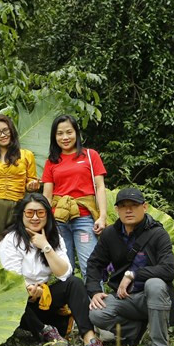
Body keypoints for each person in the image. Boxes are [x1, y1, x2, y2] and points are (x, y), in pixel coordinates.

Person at [0, 194, 114, 346]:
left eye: (40, 213)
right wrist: (30, 290)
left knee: (74, 283)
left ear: (47, 214)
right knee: (10, 296)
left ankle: (90, 340)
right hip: (21, 299)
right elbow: (11, 277)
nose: (35, 218)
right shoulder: (11, 240)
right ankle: (45, 331)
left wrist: (45, 246)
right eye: (29, 213)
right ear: (21, 215)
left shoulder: (53, 237)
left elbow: (64, 273)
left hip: (43, 297)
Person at [86, 187, 174, 346]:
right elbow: (94, 264)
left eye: (134, 205)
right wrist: (95, 291)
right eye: (123, 206)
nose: (128, 210)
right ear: (116, 210)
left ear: (144, 207)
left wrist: (133, 274)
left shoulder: (157, 234)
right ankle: (136, 330)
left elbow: (168, 270)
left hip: (154, 298)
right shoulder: (110, 234)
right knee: (97, 313)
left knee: (155, 284)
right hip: (127, 299)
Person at [42, 114, 108, 277]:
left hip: (84, 218)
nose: (65, 137)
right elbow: (47, 196)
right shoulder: (51, 161)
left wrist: (102, 216)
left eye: (69, 132)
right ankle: (69, 295)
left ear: (76, 133)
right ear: (54, 136)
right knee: (65, 268)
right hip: (58, 220)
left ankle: (95, 294)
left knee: (89, 265)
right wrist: (45, 222)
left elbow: (100, 187)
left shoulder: (90, 155)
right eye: (60, 133)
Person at [0, 114, 40, 243]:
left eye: (5, 130)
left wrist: (32, 185)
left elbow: (31, 180)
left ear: (11, 130)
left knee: (16, 242)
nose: (2, 135)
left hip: (18, 204)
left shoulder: (26, 155)